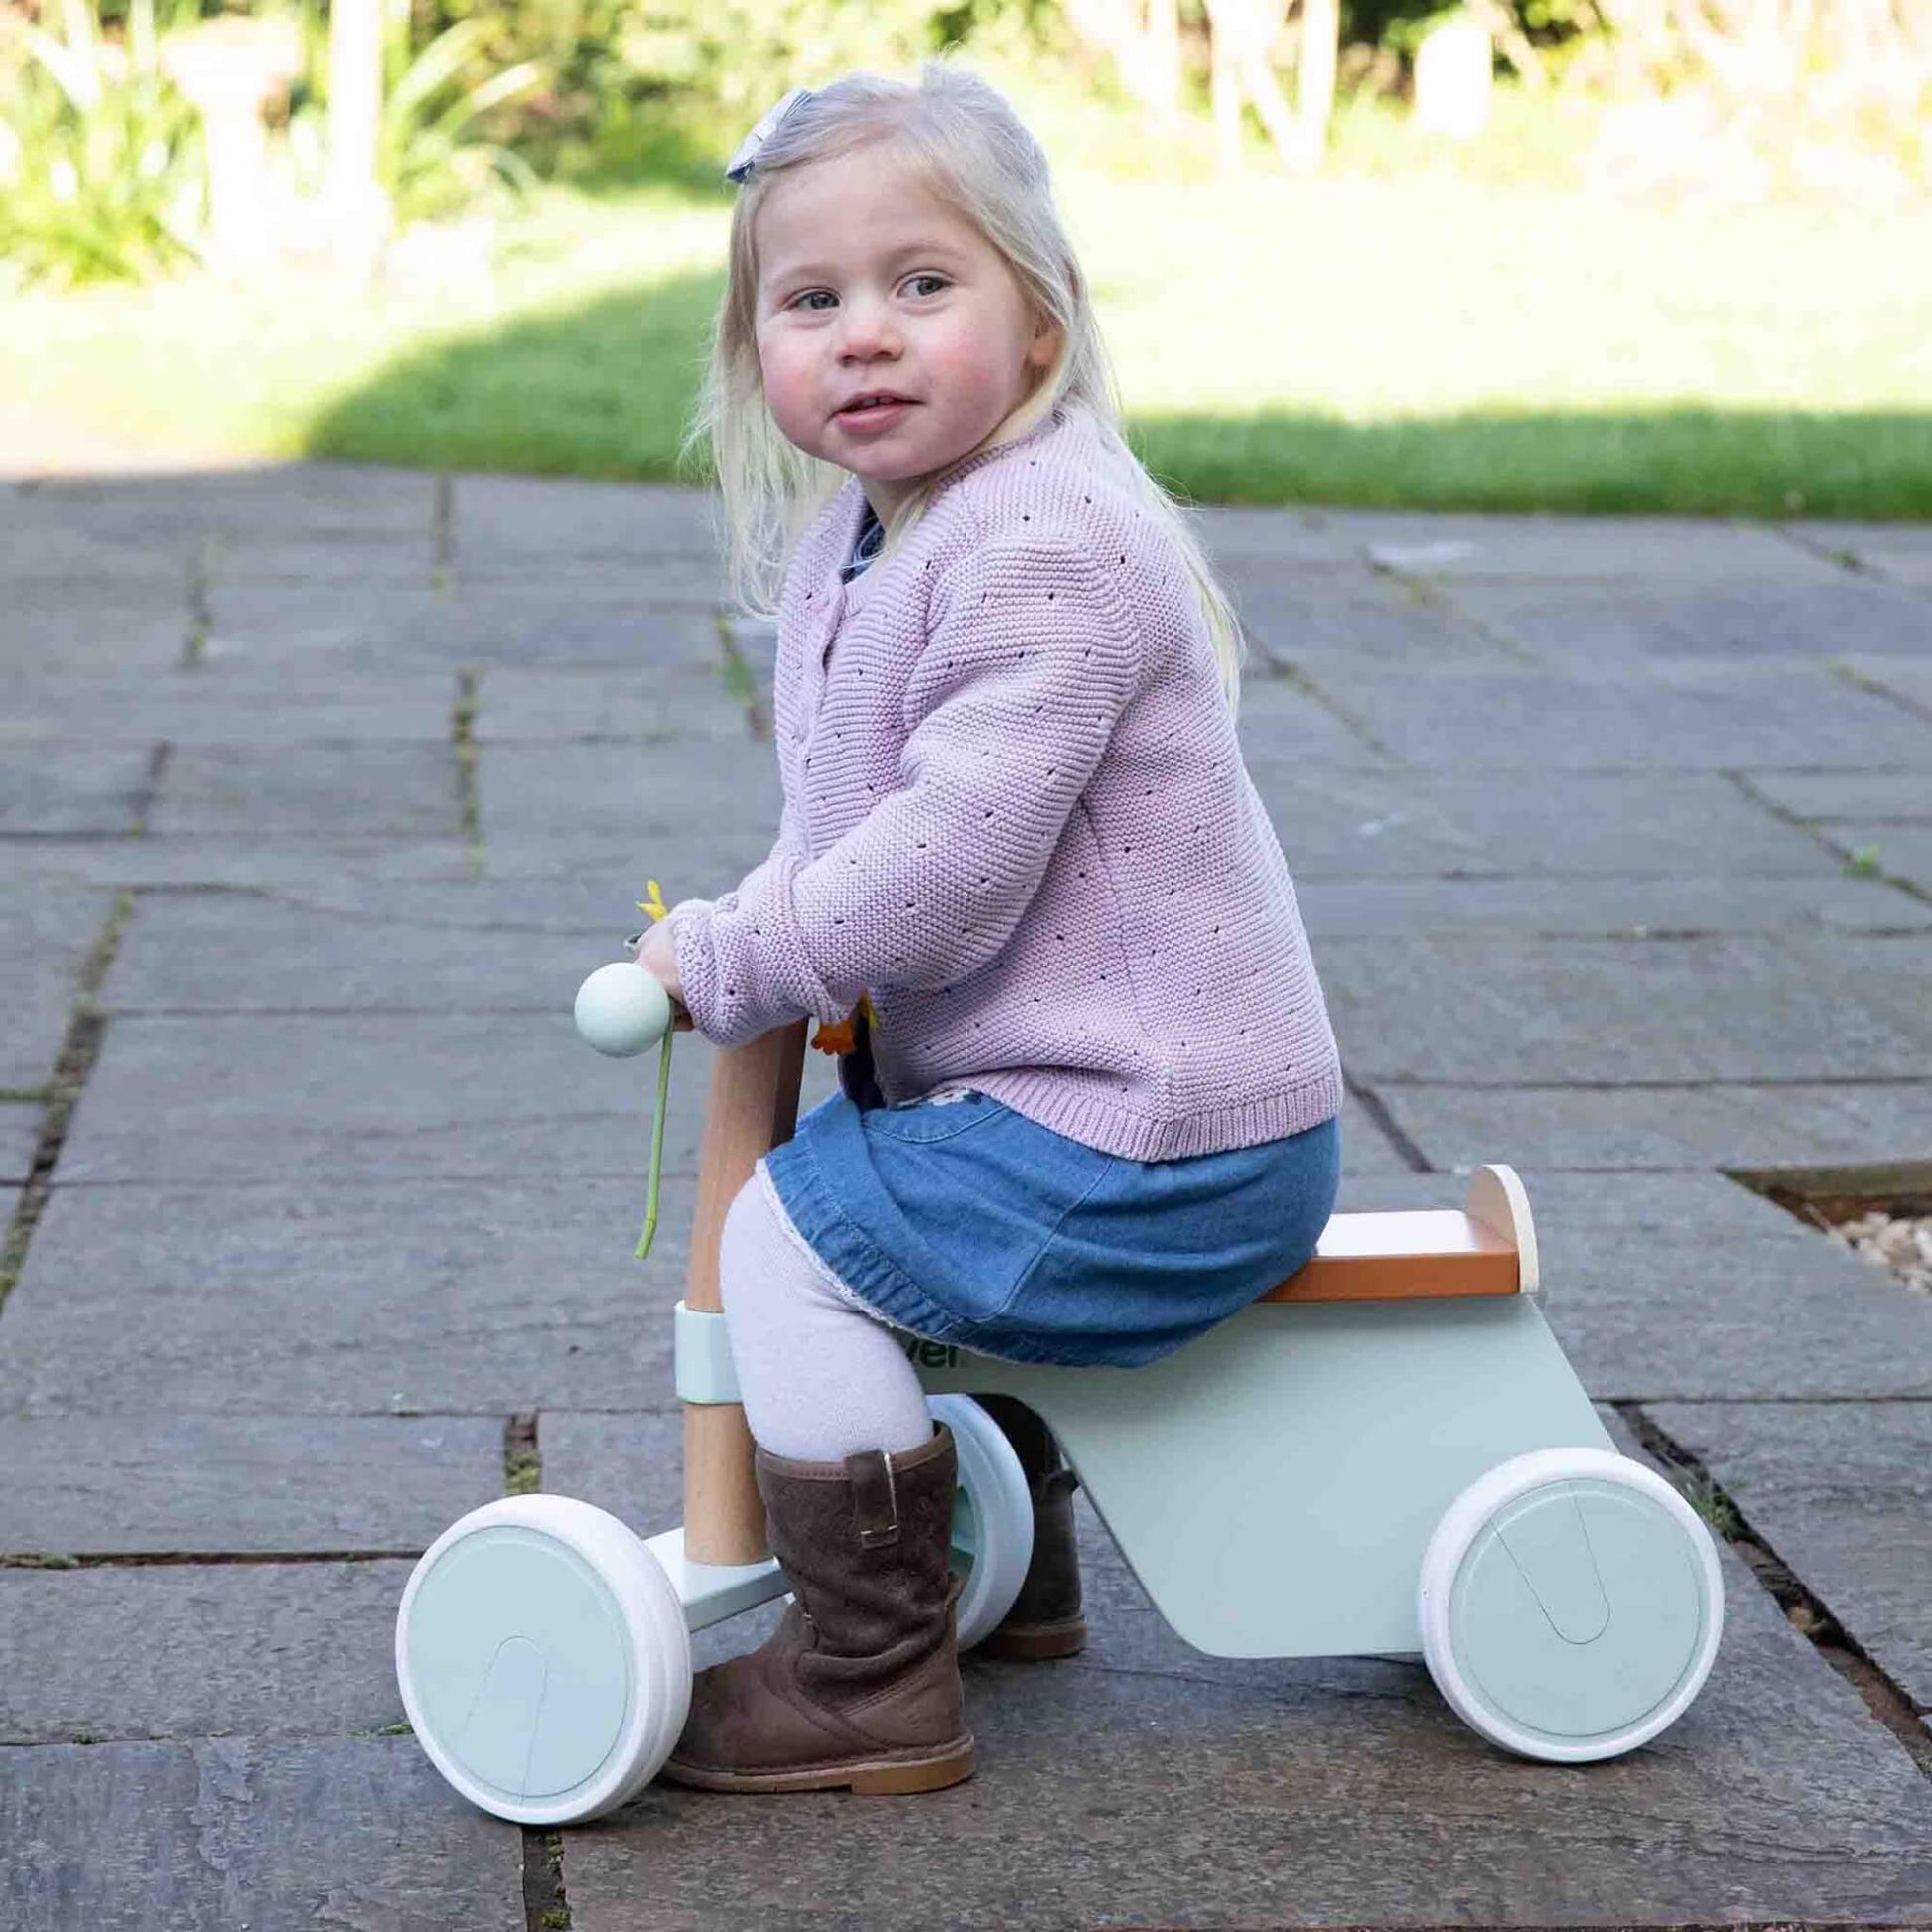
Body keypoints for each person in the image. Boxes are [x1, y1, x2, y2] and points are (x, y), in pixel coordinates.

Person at [634, 58, 1343, 1797]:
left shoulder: (1047, 544)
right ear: (757, 353)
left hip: (1157, 1128)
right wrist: (756, 915)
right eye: (811, 300)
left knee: (798, 1243)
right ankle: (1013, 1581)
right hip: (1085, 1101)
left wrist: (743, 957)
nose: (862, 333)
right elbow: (842, 826)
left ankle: (870, 1673)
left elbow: (943, 862)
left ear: (1040, 322)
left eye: (921, 283)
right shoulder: (862, 542)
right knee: (903, 1186)